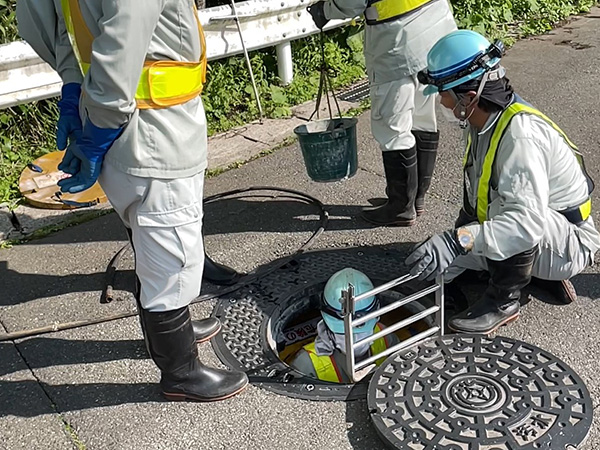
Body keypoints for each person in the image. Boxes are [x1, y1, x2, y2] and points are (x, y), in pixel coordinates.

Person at [16, 0, 248, 401]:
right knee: (171, 254)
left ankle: (172, 333)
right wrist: (99, 126)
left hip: (116, 122)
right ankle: (182, 373)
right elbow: (124, 37)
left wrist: (74, 89)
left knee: (149, 240)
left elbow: (49, 24)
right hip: (152, 128)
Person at [405, 30, 600, 335]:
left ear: (470, 97)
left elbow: (524, 224)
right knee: (437, 265)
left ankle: (504, 300)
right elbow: (478, 194)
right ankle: (530, 270)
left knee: (506, 217)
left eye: (444, 93)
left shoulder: (520, 137)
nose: (441, 101)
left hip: (567, 243)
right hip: (544, 229)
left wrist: (458, 242)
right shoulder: (484, 121)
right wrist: (452, 248)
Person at [306, 0, 457, 226]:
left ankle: (400, 207)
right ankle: (415, 198)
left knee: (392, 125)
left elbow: (352, 2)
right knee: (422, 114)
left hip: (397, 38)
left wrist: (325, 10)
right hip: (436, 26)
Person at [289, 268, 398, 382]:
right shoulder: (307, 363)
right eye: (343, 333)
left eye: (362, 331)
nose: (355, 340)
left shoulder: (385, 337)